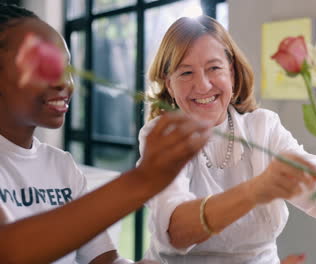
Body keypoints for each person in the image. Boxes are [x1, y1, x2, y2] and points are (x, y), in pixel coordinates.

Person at [139, 16, 316, 264]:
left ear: (233, 73)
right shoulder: (159, 137)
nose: (203, 85)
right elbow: (176, 232)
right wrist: (256, 190)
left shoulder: (264, 127)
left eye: (214, 68)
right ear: (169, 85)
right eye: (186, 72)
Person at [0, 4, 210, 264]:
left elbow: (105, 261)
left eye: (67, 67)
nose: (65, 83)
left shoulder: (62, 166)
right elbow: (10, 252)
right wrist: (143, 180)